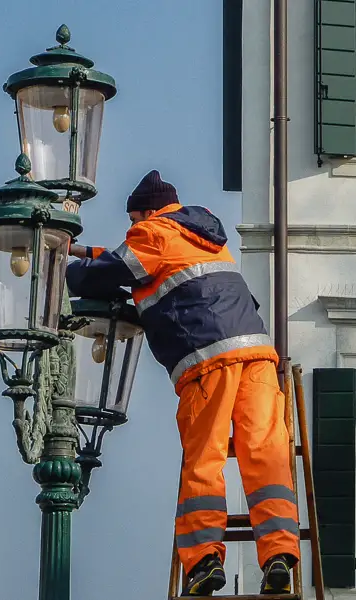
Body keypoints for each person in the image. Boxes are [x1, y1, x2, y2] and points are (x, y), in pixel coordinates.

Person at [67, 170, 300, 597]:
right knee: (267, 458)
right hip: (258, 358)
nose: (131, 229)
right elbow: (127, 259)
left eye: (133, 221)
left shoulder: (151, 233)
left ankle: (204, 562)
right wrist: (85, 249)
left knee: (204, 461)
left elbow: (104, 273)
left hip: (206, 359)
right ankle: (280, 557)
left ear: (147, 213)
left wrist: (66, 265)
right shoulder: (200, 232)